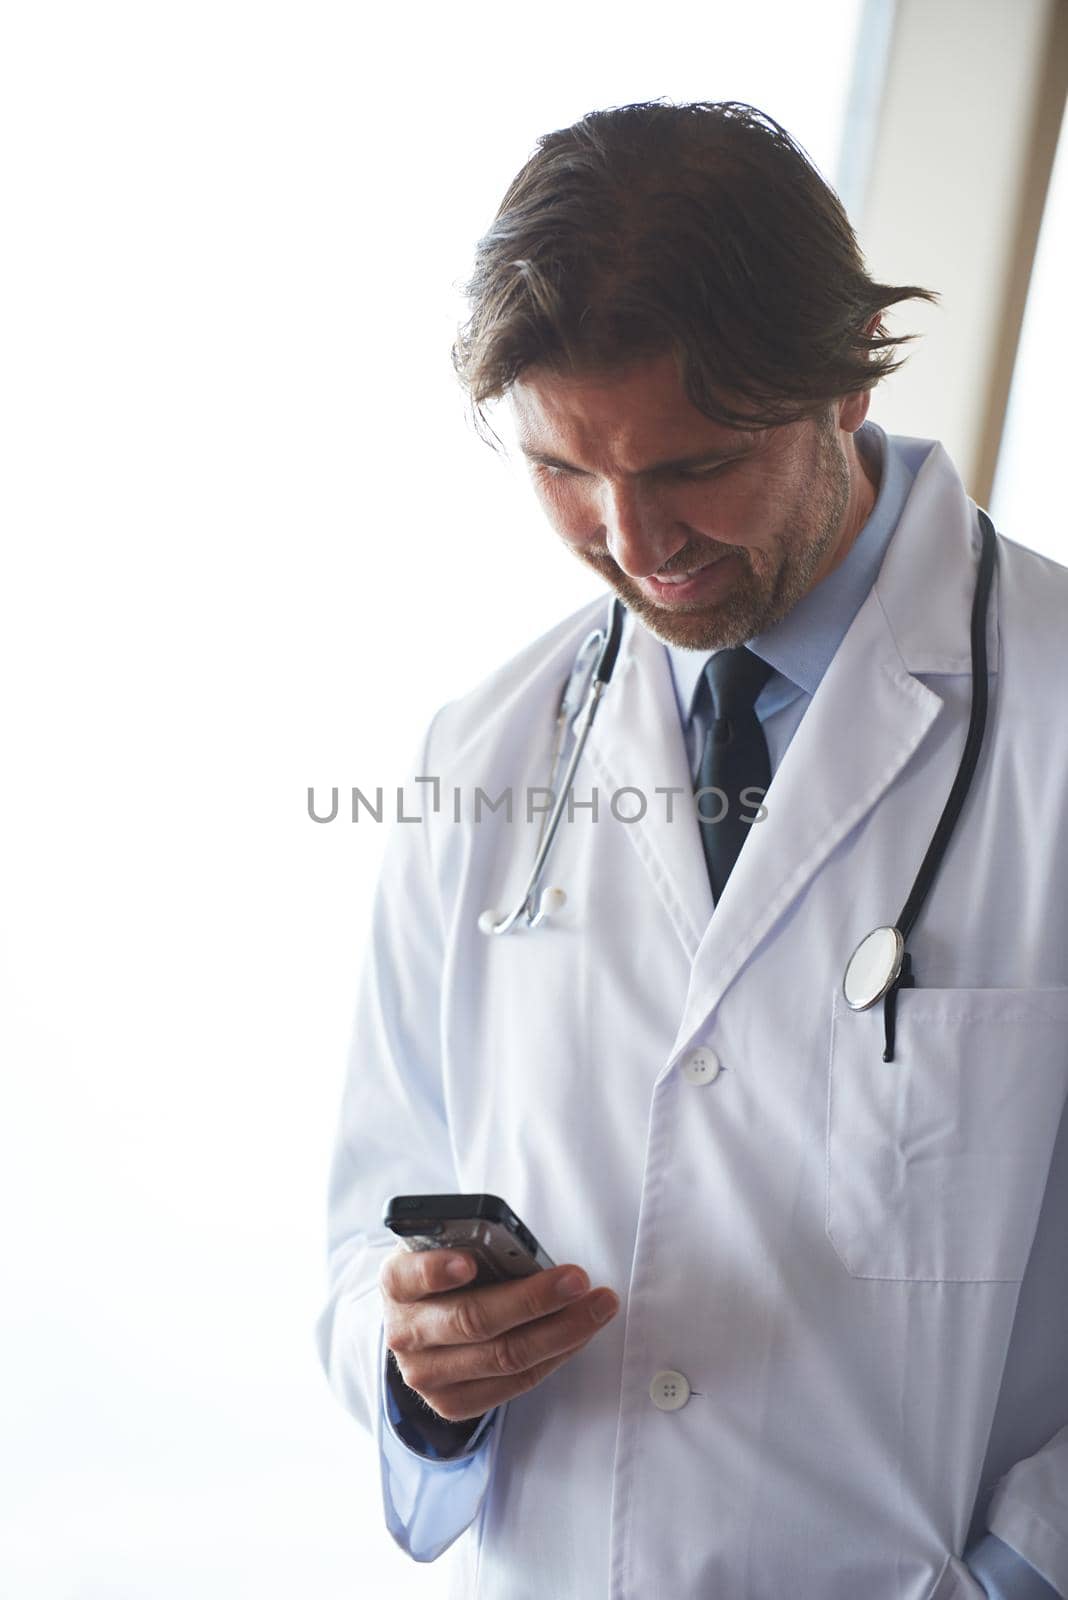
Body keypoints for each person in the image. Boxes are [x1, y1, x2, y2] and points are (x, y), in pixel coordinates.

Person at [316, 102, 1068, 1600]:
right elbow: (369, 1217)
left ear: (846, 383)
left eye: (694, 465)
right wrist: (422, 1363)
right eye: (563, 472)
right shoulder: (486, 753)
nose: (633, 539)